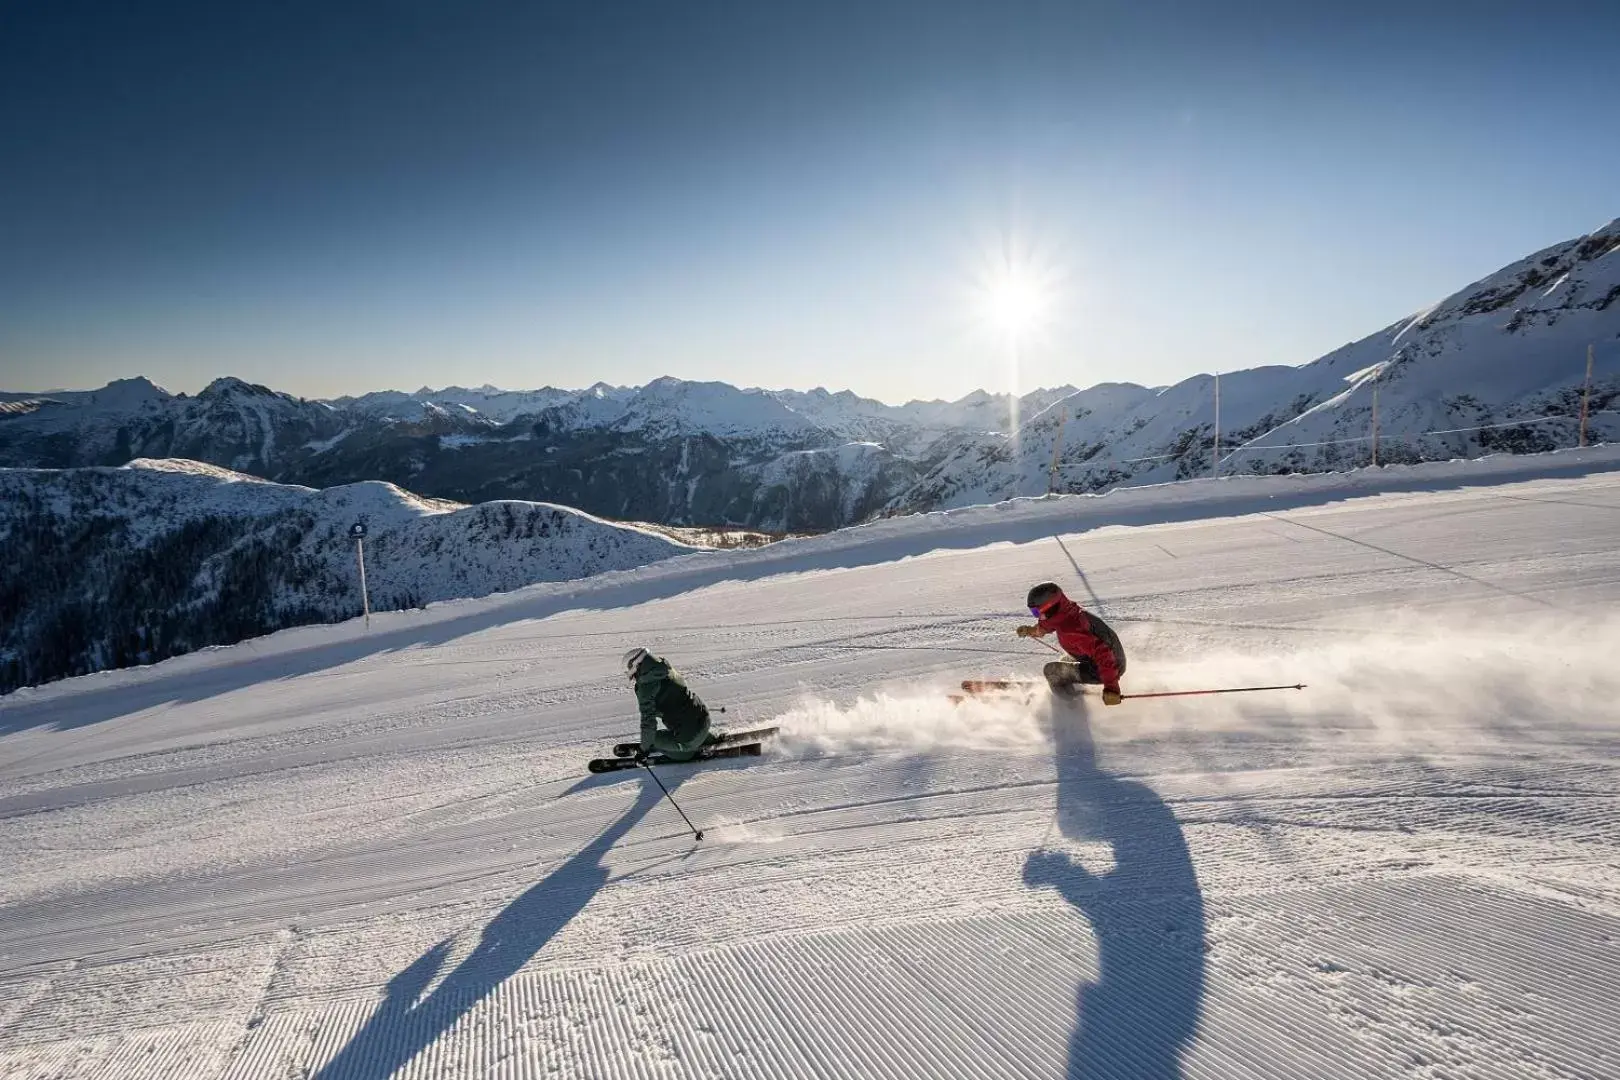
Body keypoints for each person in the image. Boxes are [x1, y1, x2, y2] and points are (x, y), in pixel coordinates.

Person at [1015, 582, 1127, 705]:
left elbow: (1104, 655)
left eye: (1036, 612)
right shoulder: (1065, 610)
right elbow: (1051, 623)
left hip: (1108, 666)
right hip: (1108, 657)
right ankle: (1071, 690)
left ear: (1048, 606)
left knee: (1052, 671)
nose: (1037, 615)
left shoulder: (1071, 629)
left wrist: (1111, 688)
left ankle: (1069, 706)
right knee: (1065, 660)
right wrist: (1032, 630)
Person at [624, 647, 714, 762]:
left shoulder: (646, 688)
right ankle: (709, 738)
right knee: (680, 716)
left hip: (689, 736)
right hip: (704, 718)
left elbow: (648, 723)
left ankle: (689, 751)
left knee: (657, 740)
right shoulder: (665, 668)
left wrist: (644, 749)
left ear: (638, 666)